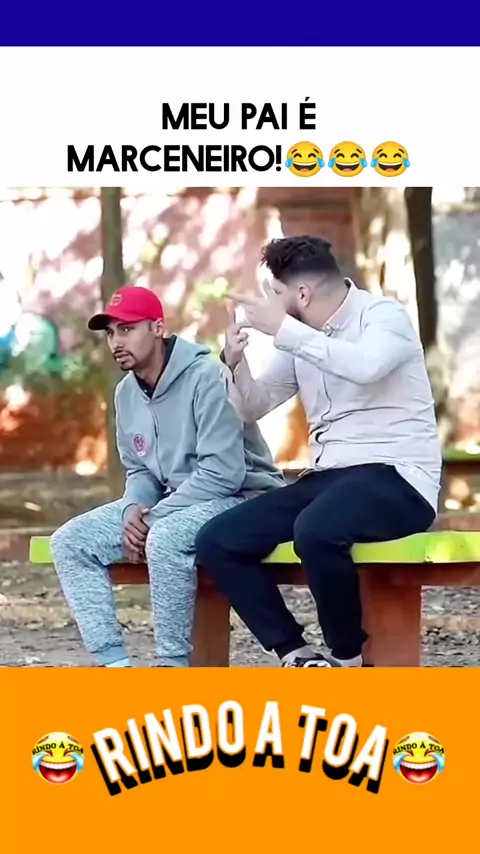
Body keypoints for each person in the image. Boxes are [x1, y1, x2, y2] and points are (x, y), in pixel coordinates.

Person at [195, 235, 442, 668]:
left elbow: (365, 367)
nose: (271, 305)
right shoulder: (301, 340)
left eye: (276, 294)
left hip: (399, 479)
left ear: (303, 294)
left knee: (315, 530)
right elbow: (253, 406)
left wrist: (285, 331)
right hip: (329, 480)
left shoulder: (383, 317)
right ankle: (297, 655)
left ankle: (348, 658)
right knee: (217, 540)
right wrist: (234, 361)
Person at [50, 285, 284, 667]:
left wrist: (154, 517)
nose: (116, 342)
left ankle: (171, 666)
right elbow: (140, 468)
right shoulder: (126, 393)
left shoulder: (207, 376)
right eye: (110, 333)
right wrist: (133, 510)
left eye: (127, 329)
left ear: (158, 328)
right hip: (177, 502)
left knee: (165, 537)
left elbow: (224, 473)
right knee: (70, 542)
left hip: (244, 498)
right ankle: (114, 666)